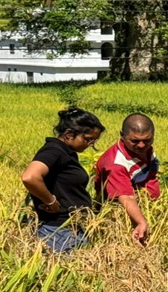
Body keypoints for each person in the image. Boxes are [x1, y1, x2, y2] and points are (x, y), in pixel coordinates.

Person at [21, 108, 105, 253]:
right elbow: (30, 177)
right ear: (69, 135)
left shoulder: (66, 153)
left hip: (69, 229)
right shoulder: (54, 151)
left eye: (94, 140)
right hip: (58, 232)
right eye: (87, 139)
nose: (91, 144)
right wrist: (50, 201)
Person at [95, 113, 161, 244]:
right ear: (122, 136)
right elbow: (126, 197)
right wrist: (142, 222)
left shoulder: (143, 150)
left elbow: (151, 177)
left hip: (144, 208)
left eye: (147, 140)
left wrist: (157, 205)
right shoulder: (115, 164)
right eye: (135, 141)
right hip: (119, 216)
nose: (142, 145)